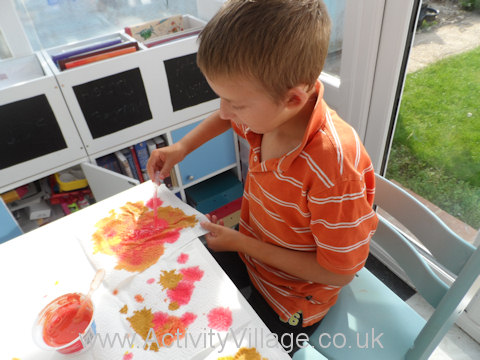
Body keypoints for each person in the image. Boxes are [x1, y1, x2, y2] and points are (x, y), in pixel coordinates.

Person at [147, 0, 378, 354]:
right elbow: (226, 118)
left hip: (291, 301)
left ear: (293, 98)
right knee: (165, 287)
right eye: (222, 98)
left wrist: (240, 244)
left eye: (235, 103)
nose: (224, 111)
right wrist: (182, 147)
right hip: (251, 251)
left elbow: (340, 273)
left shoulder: (334, 169)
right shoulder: (272, 114)